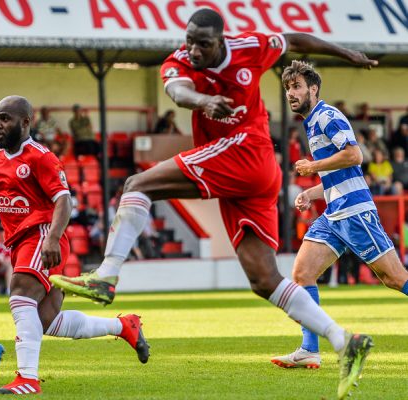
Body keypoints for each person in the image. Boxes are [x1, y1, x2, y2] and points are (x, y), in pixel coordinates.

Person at [50, 10, 377, 399]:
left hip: (246, 150)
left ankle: (107, 274)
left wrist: (347, 54)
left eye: (202, 43)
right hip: (252, 172)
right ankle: (344, 341)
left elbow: (296, 40)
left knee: (137, 184)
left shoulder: (250, 47)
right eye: (189, 40)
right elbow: (177, 92)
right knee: (264, 279)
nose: (193, 49)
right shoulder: (181, 60)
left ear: (220, 41)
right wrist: (203, 100)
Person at [0, 96, 149, 395]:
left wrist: (52, 238)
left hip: (42, 234)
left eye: (5, 118)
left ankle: (27, 379)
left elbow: (63, 200)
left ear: (25, 122)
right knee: (45, 321)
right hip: (18, 242)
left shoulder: (40, 157)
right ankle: (124, 326)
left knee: (20, 293)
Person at [271, 60, 408, 375]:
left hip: (355, 211)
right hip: (334, 212)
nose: (291, 93)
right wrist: (311, 193)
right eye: (288, 88)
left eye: (296, 87)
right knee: (302, 274)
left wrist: (312, 166)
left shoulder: (327, 115)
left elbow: (354, 155)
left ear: (313, 89)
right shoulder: (311, 123)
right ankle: (309, 350)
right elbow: (338, 173)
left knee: (394, 278)